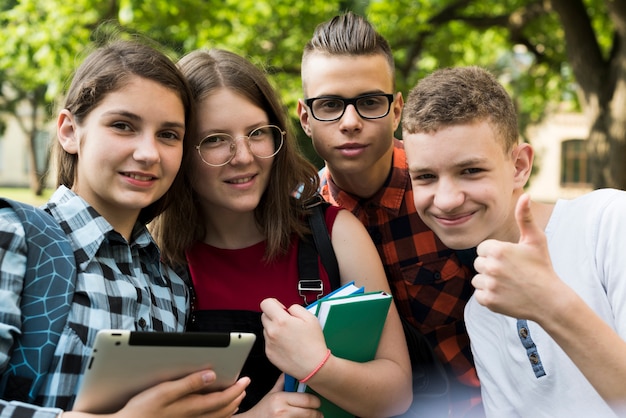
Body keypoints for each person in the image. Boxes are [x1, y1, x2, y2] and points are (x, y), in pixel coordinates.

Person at [151, 48, 412, 417]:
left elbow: (397, 393)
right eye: (214, 139)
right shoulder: (154, 258)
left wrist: (318, 366)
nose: (242, 156)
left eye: (257, 133)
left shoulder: (335, 235)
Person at [0, 39, 250, 417]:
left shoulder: (173, 284)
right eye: (123, 125)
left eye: (169, 134)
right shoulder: (17, 238)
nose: (148, 153)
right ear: (69, 132)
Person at [402, 65, 626, 417]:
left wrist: (550, 305)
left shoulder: (608, 223)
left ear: (519, 165)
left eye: (471, 170)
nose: (445, 199)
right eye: (425, 177)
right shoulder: (479, 311)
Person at [297, 11, 482, 416]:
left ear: (396, 110)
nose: (350, 122)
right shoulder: (298, 221)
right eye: (329, 105)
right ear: (305, 117)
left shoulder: (449, 195)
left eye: (368, 102)